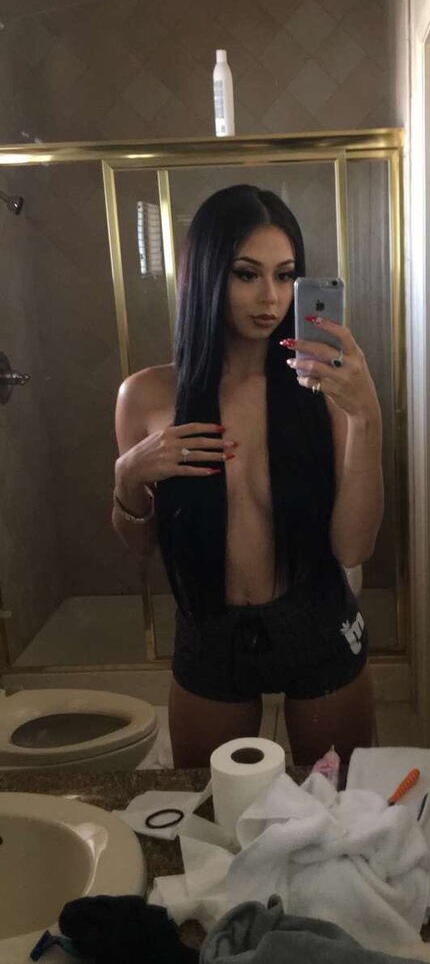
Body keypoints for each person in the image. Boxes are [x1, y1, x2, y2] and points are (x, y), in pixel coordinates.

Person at [112, 184, 384, 768]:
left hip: (314, 616)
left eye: (285, 275)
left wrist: (367, 417)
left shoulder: (321, 390)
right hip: (209, 629)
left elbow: (354, 547)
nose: (271, 297)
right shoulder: (147, 397)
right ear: (207, 277)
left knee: (340, 806)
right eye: (246, 274)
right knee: (214, 807)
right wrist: (127, 476)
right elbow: (140, 545)